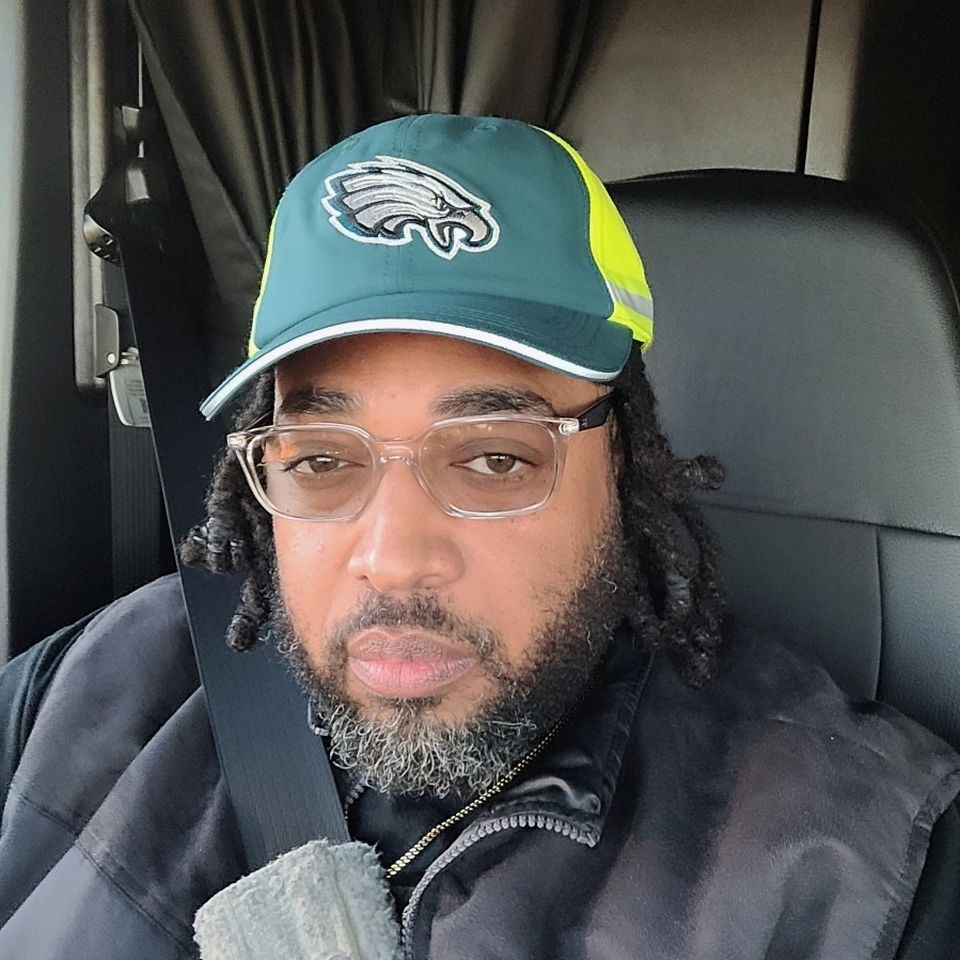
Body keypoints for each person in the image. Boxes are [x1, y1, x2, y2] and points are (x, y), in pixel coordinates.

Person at [1, 114, 958, 959]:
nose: (393, 558)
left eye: (495, 458)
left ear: (621, 466)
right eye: (322, 460)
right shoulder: (93, 688)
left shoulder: (862, 872)